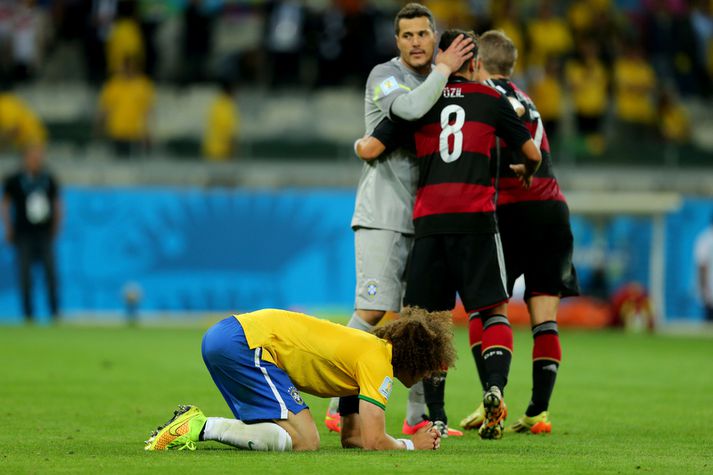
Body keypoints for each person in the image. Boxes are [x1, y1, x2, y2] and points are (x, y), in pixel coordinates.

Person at [357, 29, 542, 440]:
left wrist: (361, 145)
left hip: (430, 223)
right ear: (475, 63)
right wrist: (526, 172)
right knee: (492, 311)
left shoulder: (417, 104)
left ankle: (434, 416)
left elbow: (370, 149)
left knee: (428, 323)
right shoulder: (493, 100)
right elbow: (532, 153)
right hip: (476, 219)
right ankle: (493, 386)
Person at [326, 2, 474, 438]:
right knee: (372, 310)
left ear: (434, 35)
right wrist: (445, 70)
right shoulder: (384, 76)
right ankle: (337, 402)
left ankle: (417, 417)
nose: (415, 42)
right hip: (385, 214)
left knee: (421, 319)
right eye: (407, 35)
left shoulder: (444, 82)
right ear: (397, 41)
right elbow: (408, 111)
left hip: (427, 216)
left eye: (423, 34)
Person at [458, 30, 580, 435]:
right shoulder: (525, 97)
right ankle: (539, 412)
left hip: (509, 211)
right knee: (544, 318)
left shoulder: (488, 96)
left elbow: (492, 145)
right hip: (552, 211)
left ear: (478, 62)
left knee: (487, 307)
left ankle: (492, 394)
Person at [144, 307, 454, 452]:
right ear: (417, 358)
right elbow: (375, 441)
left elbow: (354, 439)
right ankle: (199, 426)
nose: (428, 375)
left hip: (232, 335)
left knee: (293, 435)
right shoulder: (378, 361)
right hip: (245, 343)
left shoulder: (365, 356)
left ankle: (199, 426)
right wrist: (411, 444)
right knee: (305, 440)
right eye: (429, 367)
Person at [1, 146, 62, 322]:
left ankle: (55, 313)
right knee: (24, 275)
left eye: (38, 157)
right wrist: (8, 228)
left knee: (51, 274)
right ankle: (28, 315)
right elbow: (5, 204)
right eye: (32, 156)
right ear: (25, 158)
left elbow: (57, 203)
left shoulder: (48, 178)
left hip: (44, 234)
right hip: (24, 234)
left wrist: (56, 227)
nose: (36, 160)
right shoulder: (14, 180)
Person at [97, 55, 154, 158]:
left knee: (135, 166)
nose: (128, 70)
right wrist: (101, 125)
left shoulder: (143, 85)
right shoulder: (113, 85)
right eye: (126, 67)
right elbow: (105, 108)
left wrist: (147, 132)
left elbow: (148, 111)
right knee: (118, 167)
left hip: (136, 134)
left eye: (131, 67)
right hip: (117, 132)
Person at [202, 80, 239, 161]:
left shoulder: (216, 104)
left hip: (211, 149)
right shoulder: (227, 106)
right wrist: (233, 147)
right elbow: (228, 129)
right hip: (223, 151)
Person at [694, 215, 713, 322]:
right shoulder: (706, 239)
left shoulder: (704, 238)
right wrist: (705, 290)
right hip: (710, 290)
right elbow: (702, 265)